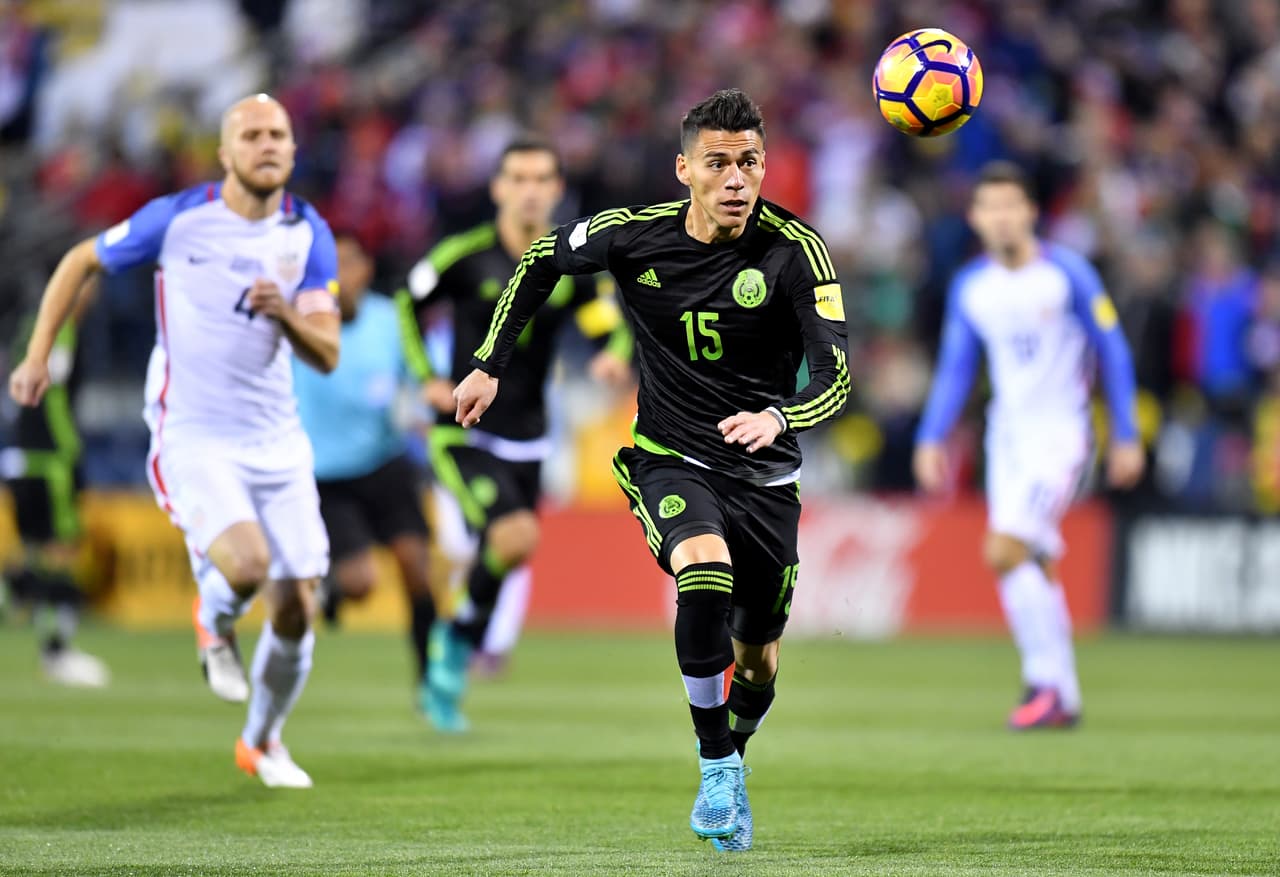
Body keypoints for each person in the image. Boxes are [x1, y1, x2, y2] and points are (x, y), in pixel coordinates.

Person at [453, 90, 849, 851]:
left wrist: (779, 417)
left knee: (758, 661)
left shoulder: (796, 250)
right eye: (718, 163)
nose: (736, 179)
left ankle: (734, 753)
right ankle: (714, 763)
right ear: (684, 170)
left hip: (765, 475)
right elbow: (540, 259)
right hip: (671, 455)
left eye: (750, 162)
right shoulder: (635, 236)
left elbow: (836, 376)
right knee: (703, 568)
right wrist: (488, 364)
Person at [9, 94, 340, 788]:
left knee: (297, 608)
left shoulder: (308, 233)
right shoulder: (178, 218)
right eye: (251, 134)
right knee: (247, 565)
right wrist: (38, 355)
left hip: (278, 441)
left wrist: (284, 316)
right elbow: (79, 261)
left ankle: (262, 741)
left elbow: (327, 352)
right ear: (225, 153)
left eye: (278, 133)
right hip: (194, 433)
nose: (267, 144)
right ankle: (213, 617)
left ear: (293, 148)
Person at [403, 137, 631, 732]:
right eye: (519, 178)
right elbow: (407, 302)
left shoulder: (569, 265)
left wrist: (612, 353)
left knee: (511, 547)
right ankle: (455, 649)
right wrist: (427, 378)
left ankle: (458, 635)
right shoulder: (464, 256)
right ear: (498, 188)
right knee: (512, 534)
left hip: (530, 437)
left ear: (557, 190)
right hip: (463, 433)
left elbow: (608, 323)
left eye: (541, 179)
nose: (530, 191)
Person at [913, 161, 1144, 731]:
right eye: (989, 207)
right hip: (1006, 440)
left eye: (1011, 206)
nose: (1001, 218)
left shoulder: (1068, 274)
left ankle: (1045, 682)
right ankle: (1062, 693)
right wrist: (931, 436)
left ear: (1031, 213)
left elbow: (1112, 351)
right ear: (975, 217)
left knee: (1004, 549)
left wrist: (1127, 433)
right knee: (1033, 559)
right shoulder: (973, 286)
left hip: (1061, 436)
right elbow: (956, 368)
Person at [292, 230, 437, 689]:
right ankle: (335, 589)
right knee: (360, 584)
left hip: (384, 461)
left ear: (366, 270)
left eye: (349, 263)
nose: (340, 274)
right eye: (329, 264)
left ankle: (432, 678)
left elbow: (423, 379)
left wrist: (432, 411)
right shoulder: (297, 322)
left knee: (417, 566)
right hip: (326, 472)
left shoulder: (391, 320)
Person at [2, 282, 109, 687]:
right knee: (63, 552)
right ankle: (57, 652)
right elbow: (52, 396)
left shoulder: (30, 325)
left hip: (19, 455)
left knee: (33, 558)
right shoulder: (58, 329)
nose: (93, 295)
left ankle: (50, 644)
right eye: (89, 284)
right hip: (50, 459)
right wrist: (69, 451)